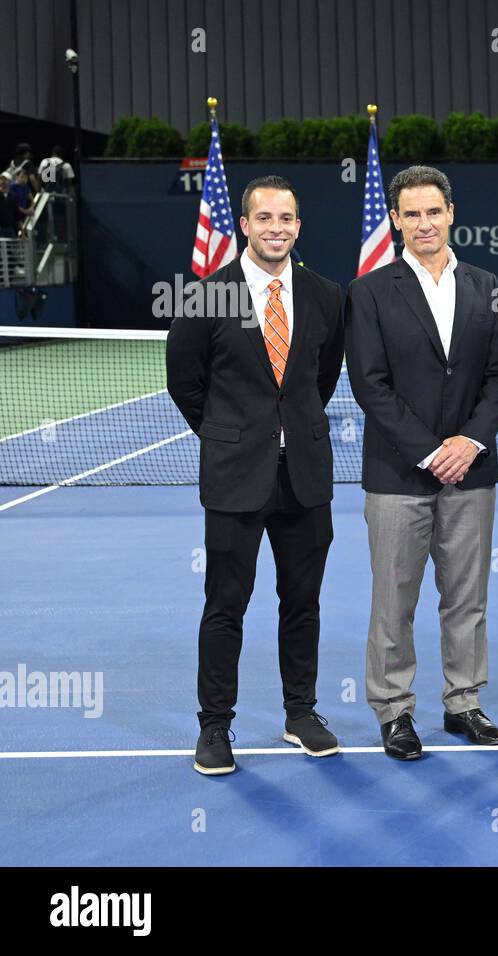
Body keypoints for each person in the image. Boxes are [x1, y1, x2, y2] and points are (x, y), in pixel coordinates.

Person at [165, 175, 345, 775]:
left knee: (303, 604)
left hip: (305, 479)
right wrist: (232, 436)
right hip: (235, 478)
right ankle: (214, 726)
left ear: (298, 225)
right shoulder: (204, 297)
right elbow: (185, 382)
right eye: (264, 218)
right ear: (244, 225)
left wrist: (286, 431)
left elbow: (322, 378)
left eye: (286, 218)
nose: (276, 228)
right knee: (225, 606)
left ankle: (301, 714)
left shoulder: (325, 295)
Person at [345, 166, 498, 759]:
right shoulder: (367, 292)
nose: (424, 223)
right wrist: (429, 450)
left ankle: (463, 702)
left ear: (450, 213)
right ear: (396, 219)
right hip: (397, 475)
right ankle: (394, 712)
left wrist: (468, 443)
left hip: (472, 471)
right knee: (395, 597)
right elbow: (370, 384)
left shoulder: (486, 283)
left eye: (433, 212)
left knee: (467, 596)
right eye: (411, 214)